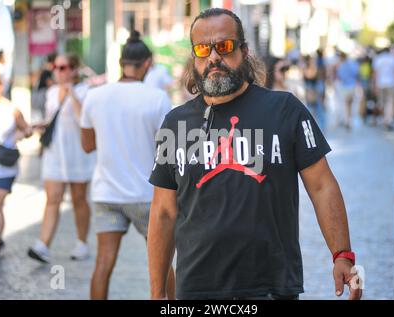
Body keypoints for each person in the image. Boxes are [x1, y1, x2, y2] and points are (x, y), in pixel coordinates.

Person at [148, 8, 361, 300]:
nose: (213, 57)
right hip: (198, 289)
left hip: (271, 286)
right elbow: (163, 213)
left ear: (244, 50)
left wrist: (342, 254)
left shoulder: (286, 110)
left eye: (224, 46)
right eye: (202, 49)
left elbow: (322, 185)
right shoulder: (176, 123)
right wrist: (157, 293)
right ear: (194, 57)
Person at [80, 31, 175, 300]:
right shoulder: (157, 98)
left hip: (106, 193)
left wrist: (114, 136)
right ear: (147, 64)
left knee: (103, 264)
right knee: (163, 263)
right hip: (147, 196)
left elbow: (87, 145)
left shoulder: (94, 96)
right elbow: (166, 151)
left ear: (121, 63)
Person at [27, 54, 95, 264]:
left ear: (74, 70)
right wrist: (40, 126)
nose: (58, 71)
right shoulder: (51, 92)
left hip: (77, 154)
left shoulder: (85, 91)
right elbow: (52, 119)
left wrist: (72, 93)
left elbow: (83, 119)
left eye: (63, 67)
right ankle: (43, 245)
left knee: (78, 199)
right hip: (55, 152)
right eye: (55, 67)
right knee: (53, 199)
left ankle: (82, 243)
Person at [0, 69, 32, 266]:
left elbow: (27, 129)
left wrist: (16, 138)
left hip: (3, 168)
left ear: (1, 87)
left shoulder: (11, 110)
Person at [372, 47, 394, 131]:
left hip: (380, 83)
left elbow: (375, 73)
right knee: (390, 102)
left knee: (383, 102)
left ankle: (385, 118)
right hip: (392, 83)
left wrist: (375, 85)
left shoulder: (378, 59)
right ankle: (388, 119)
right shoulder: (393, 59)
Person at [335, 51, 360, 130]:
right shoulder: (352, 64)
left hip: (344, 86)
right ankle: (349, 120)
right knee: (350, 104)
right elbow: (356, 73)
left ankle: (346, 120)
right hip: (352, 86)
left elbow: (339, 76)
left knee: (345, 104)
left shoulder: (341, 66)